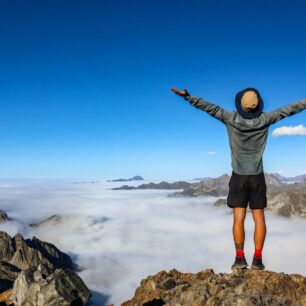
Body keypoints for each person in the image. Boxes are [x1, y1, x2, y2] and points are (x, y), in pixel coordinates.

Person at [171, 87, 306, 270]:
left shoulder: (231, 118)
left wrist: (188, 97)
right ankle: (257, 260)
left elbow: (209, 108)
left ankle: (239, 259)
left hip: (238, 176)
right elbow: (290, 109)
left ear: (241, 106)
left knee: (238, 218)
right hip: (257, 176)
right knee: (259, 218)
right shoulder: (265, 119)